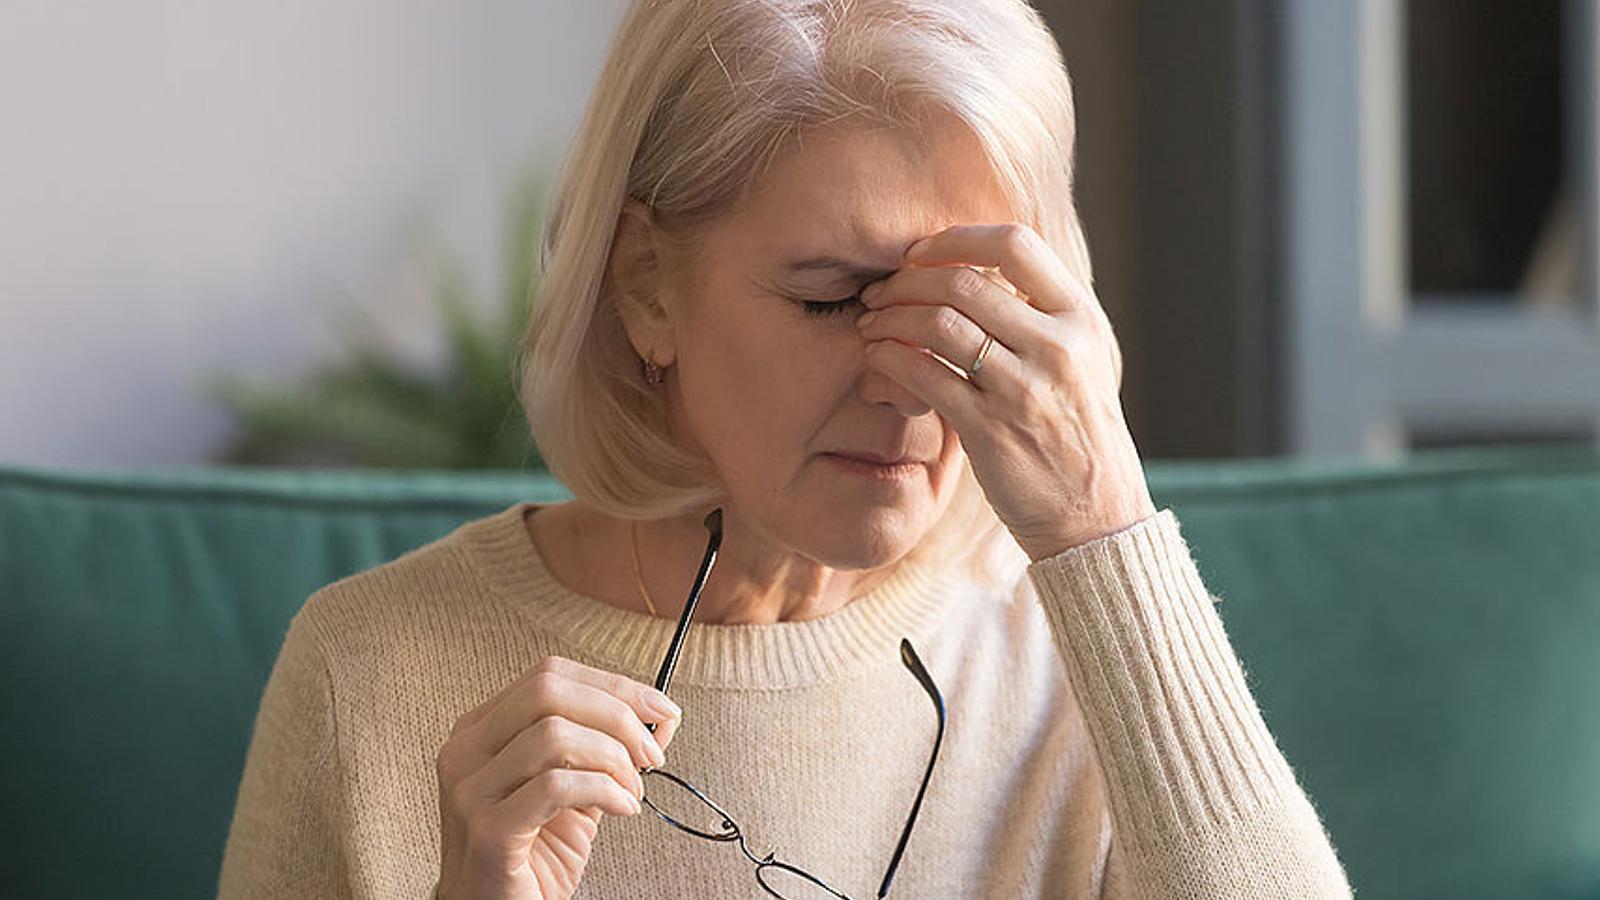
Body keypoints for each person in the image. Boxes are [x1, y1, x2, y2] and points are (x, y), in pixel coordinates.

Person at [218, 1, 1355, 897]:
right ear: (645, 288)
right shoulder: (369, 676)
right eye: (834, 301)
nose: (914, 382)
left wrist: (1103, 526)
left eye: (976, 310)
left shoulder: (1080, 660)